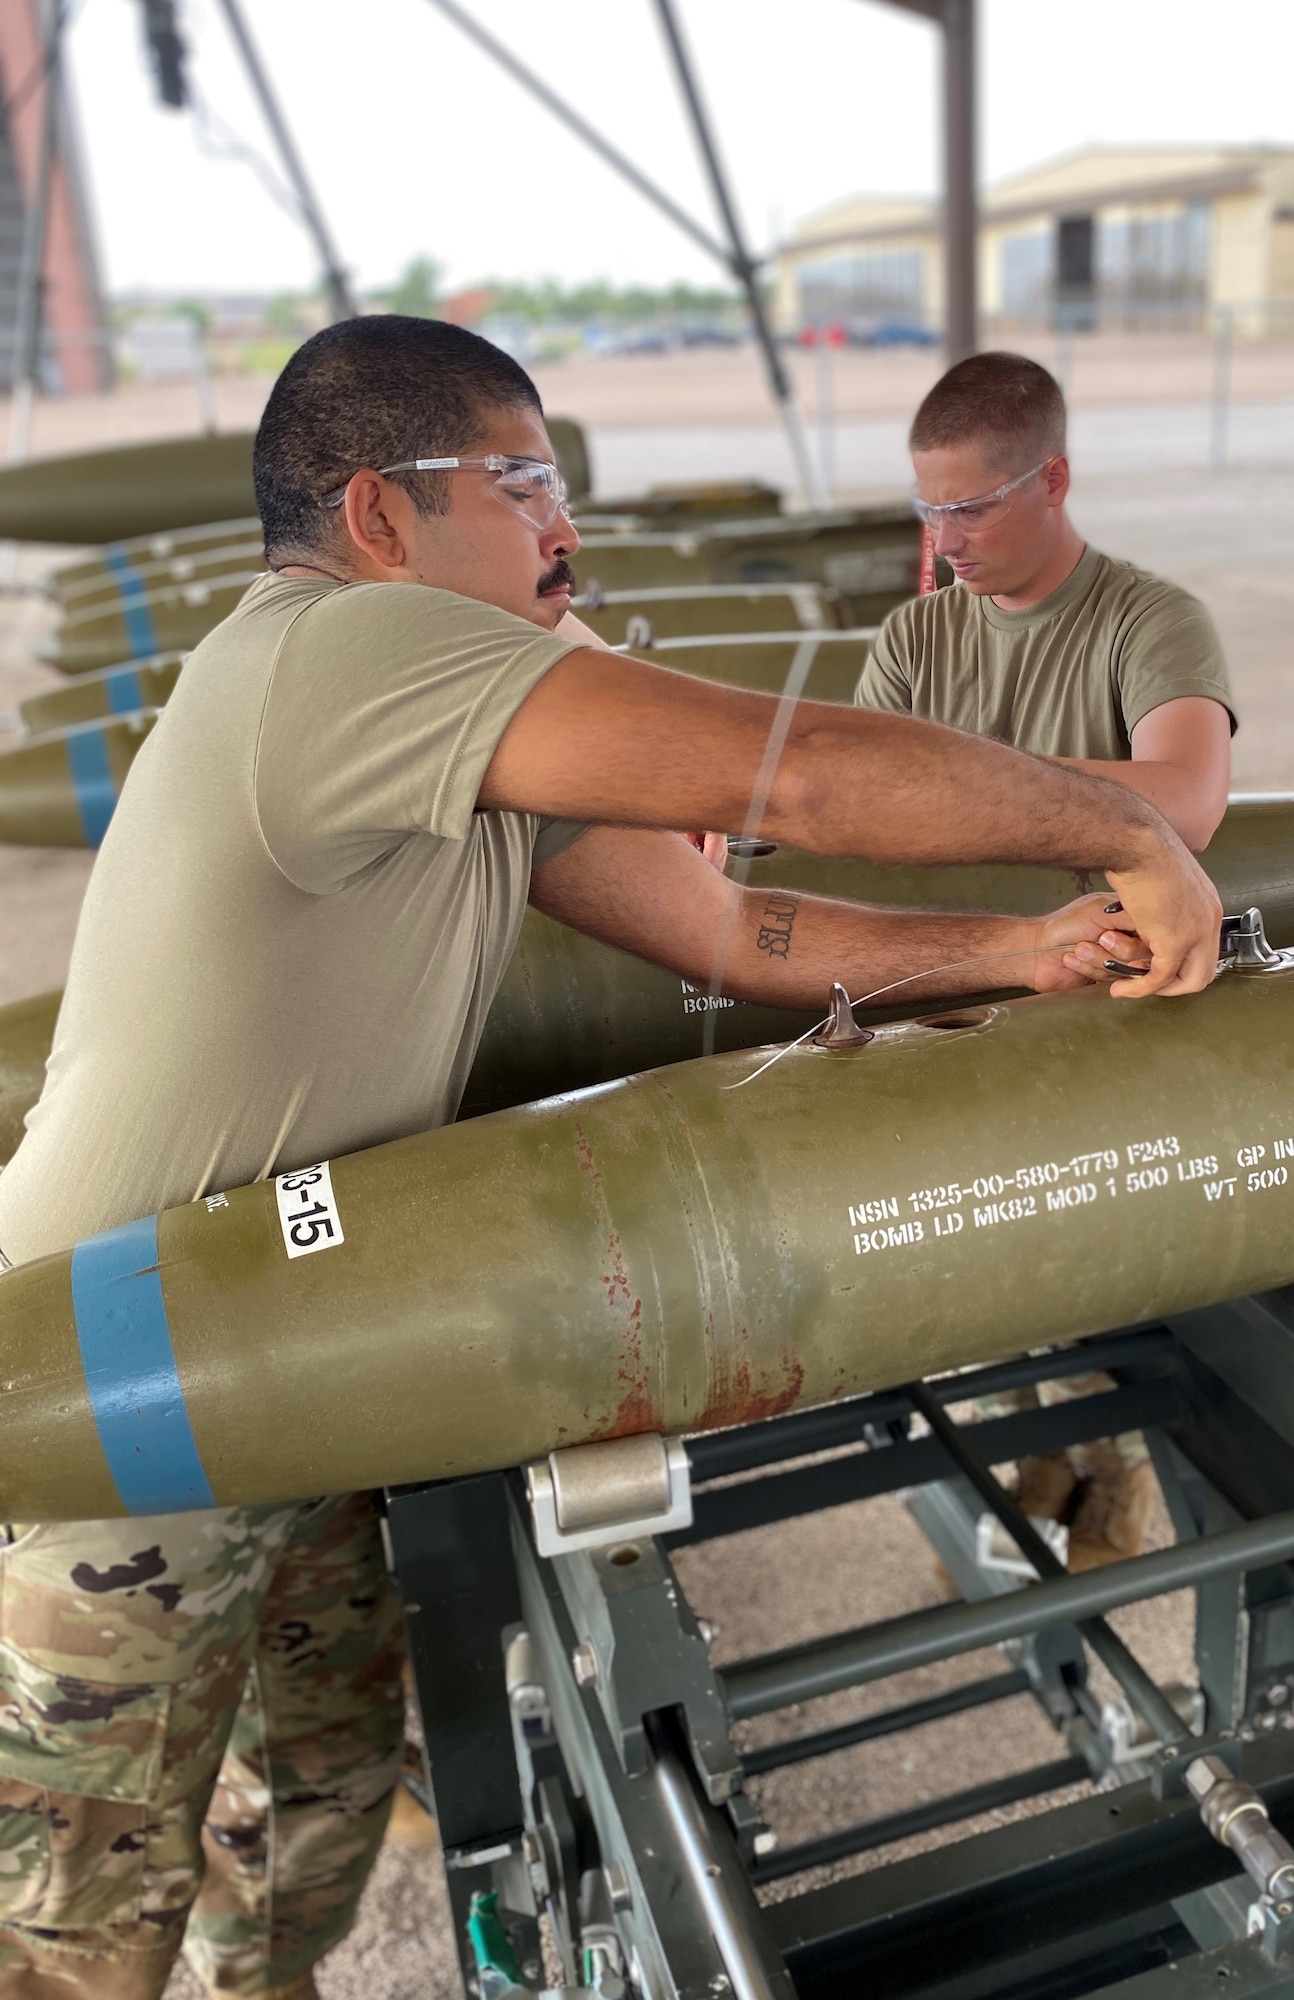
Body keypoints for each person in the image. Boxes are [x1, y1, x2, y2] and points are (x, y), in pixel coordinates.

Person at [0, 318, 1220, 2000]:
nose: (561, 530)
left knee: (311, 1820)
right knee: (76, 1925)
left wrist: (1014, 960)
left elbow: (735, 925)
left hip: (288, 1352)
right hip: (107, 1400)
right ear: (379, 517)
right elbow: (784, 764)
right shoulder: (337, 659)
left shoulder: (462, 738)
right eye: (522, 484)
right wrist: (1119, 828)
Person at [855, 349, 1236, 1573]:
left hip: (1104, 1016)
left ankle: (1112, 1486)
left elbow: (1185, 795)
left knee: (1097, 1287)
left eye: (970, 504)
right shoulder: (916, 638)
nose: (944, 536)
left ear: (1053, 479)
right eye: (927, 507)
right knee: (982, 1302)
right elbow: (868, 819)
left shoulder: (1148, 618)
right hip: (960, 996)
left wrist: (950, 790)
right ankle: (1040, 1469)